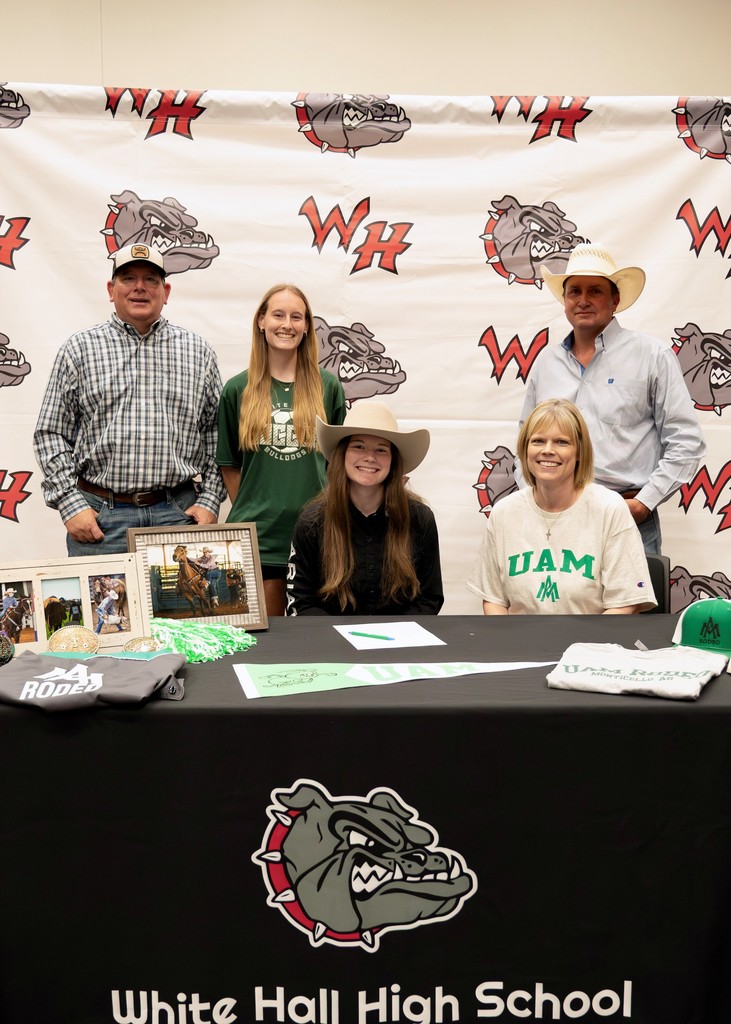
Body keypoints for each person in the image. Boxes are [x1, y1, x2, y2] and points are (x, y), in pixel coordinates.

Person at [33, 243, 225, 556]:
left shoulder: (197, 351)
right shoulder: (79, 350)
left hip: (178, 517)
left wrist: (210, 500)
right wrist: (70, 504)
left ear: (166, 291)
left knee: (181, 605)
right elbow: (50, 434)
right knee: (107, 608)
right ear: (111, 289)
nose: (139, 287)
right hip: (100, 521)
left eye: (151, 279)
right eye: (128, 278)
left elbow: (217, 433)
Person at [520, 243, 706, 554]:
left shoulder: (652, 356)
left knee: (631, 604)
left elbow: (687, 442)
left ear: (615, 300)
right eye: (574, 291)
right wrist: (535, 501)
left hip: (627, 519)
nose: (583, 300)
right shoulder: (546, 363)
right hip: (553, 520)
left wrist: (643, 503)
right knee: (556, 604)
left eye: (594, 291)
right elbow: (525, 442)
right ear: (564, 301)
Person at [217, 284, 346, 616]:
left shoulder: (328, 387)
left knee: (311, 643)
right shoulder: (237, 389)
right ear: (261, 321)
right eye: (277, 314)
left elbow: (339, 463)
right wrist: (254, 512)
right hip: (258, 540)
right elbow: (229, 464)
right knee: (265, 644)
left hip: (316, 537)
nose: (286, 324)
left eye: (296, 317)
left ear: (306, 327)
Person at [467, 399, 656, 615]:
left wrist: (580, 649)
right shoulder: (504, 512)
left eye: (561, 442)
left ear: (579, 453)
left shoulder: (609, 509)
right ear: (525, 449)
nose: (548, 450)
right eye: (538, 441)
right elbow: (494, 601)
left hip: (592, 645)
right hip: (521, 646)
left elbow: (623, 605)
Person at [286, 401, 444, 616]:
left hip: (401, 644)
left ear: (393, 461)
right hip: (332, 645)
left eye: (381, 449)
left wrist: (394, 640)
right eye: (358, 446)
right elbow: (301, 603)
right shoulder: (312, 521)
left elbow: (429, 599)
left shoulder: (420, 518)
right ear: (341, 455)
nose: (370, 457)